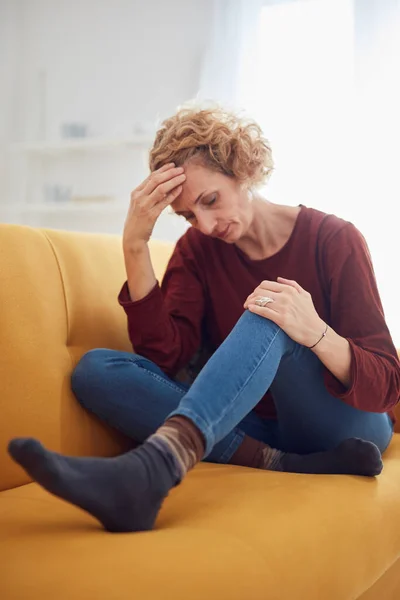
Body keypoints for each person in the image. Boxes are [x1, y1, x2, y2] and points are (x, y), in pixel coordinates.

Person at [8, 106, 400, 534]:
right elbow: (164, 357)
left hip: (343, 421)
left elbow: (386, 383)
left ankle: (156, 468)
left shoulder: (334, 239)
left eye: (210, 201)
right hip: (247, 423)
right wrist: (136, 245)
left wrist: (316, 333)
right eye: (190, 215)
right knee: (97, 370)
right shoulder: (197, 251)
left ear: (243, 170)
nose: (207, 225)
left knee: (271, 307)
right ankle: (282, 462)